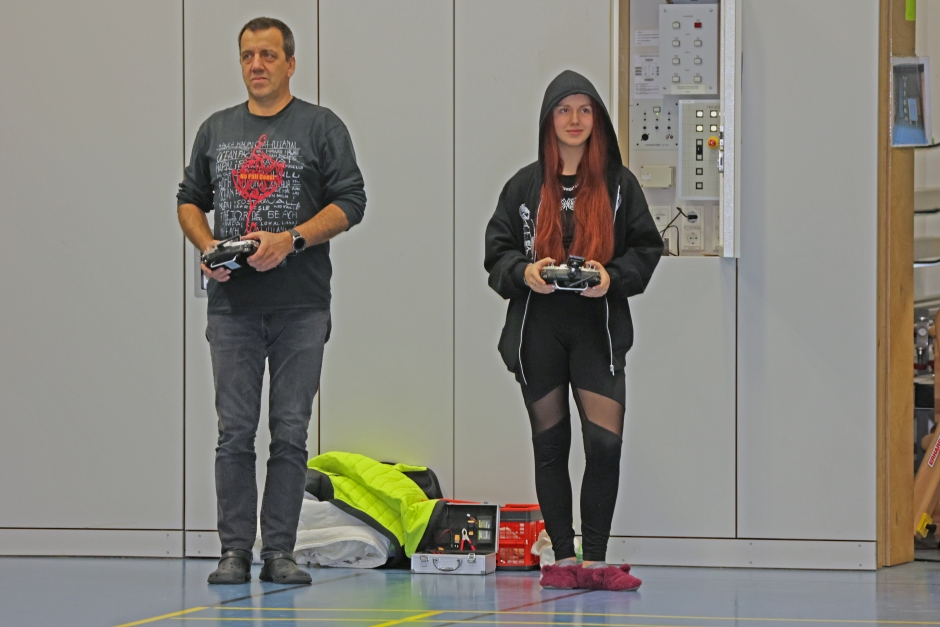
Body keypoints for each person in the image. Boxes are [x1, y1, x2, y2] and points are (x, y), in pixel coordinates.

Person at [177, 17, 366, 585]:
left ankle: (279, 551)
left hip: (301, 307)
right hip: (232, 310)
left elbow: (352, 201)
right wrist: (208, 246)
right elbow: (188, 199)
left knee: (289, 432)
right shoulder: (215, 129)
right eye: (247, 56)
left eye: (267, 55)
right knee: (234, 433)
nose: (256, 65)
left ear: (290, 63)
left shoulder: (321, 126)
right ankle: (234, 551)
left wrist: (292, 240)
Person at [484, 70, 662, 590]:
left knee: (604, 445)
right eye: (564, 110)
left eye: (584, 110)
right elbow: (496, 254)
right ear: (549, 120)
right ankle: (563, 560)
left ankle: (596, 559)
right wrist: (525, 272)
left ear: (597, 119)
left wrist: (611, 277)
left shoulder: (619, 186)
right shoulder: (523, 186)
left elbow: (646, 249)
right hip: (537, 331)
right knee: (550, 446)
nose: (575, 120)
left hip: (597, 330)